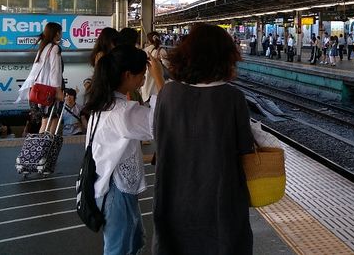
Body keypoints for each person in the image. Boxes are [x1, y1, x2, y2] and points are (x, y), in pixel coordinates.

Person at [152, 23, 254, 254]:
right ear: (226, 57)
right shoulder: (233, 98)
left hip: (173, 196)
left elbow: (159, 135)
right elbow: (245, 148)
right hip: (220, 202)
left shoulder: (168, 94)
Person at [84, 44, 152, 255]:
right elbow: (161, 123)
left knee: (124, 245)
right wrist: (160, 80)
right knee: (119, 249)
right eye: (143, 74)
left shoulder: (104, 103)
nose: (143, 79)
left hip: (105, 186)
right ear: (127, 75)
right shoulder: (122, 111)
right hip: (116, 191)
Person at [17, 22, 65, 134]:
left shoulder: (43, 48)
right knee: (52, 119)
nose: (61, 34)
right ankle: (46, 147)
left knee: (46, 120)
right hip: (50, 90)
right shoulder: (54, 48)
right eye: (60, 32)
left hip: (39, 89)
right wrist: (58, 90)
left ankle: (41, 147)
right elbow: (55, 70)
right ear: (57, 33)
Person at [142, 31, 169, 102]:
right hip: (158, 83)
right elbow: (167, 66)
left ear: (149, 40)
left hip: (146, 82)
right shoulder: (161, 51)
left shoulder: (144, 51)